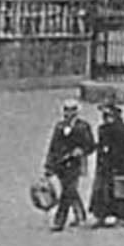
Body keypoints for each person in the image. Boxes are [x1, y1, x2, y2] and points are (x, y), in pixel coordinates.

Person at [42, 98, 95, 232]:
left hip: (74, 163)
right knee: (70, 190)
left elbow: (90, 145)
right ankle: (80, 215)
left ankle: (59, 221)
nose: (67, 113)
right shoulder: (59, 127)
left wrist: (81, 150)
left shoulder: (83, 127)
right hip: (60, 163)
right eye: (66, 110)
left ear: (77, 112)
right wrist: (49, 165)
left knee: (68, 190)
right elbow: (53, 146)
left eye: (71, 110)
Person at [88, 102, 124, 227]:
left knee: (120, 191)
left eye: (108, 115)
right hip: (104, 165)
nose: (105, 118)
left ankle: (123, 217)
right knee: (102, 191)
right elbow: (101, 145)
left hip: (119, 165)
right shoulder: (102, 129)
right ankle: (101, 215)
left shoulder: (122, 129)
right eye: (104, 115)